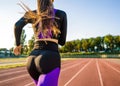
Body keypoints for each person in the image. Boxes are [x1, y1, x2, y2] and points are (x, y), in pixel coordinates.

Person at [13, 0, 67, 86]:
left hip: (31, 60)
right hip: (49, 58)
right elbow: (62, 42)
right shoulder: (61, 14)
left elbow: (17, 25)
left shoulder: (32, 14)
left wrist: (17, 44)